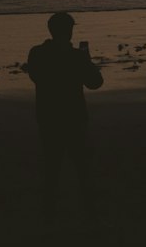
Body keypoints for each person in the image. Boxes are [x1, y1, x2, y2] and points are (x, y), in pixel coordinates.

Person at [26, 12, 104, 213]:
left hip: (48, 117)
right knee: (82, 168)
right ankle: (89, 211)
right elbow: (95, 83)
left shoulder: (37, 54)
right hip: (74, 117)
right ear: (69, 31)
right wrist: (87, 61)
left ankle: (49, 212)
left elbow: (35, 76)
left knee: (52, 168)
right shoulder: (76, 57)